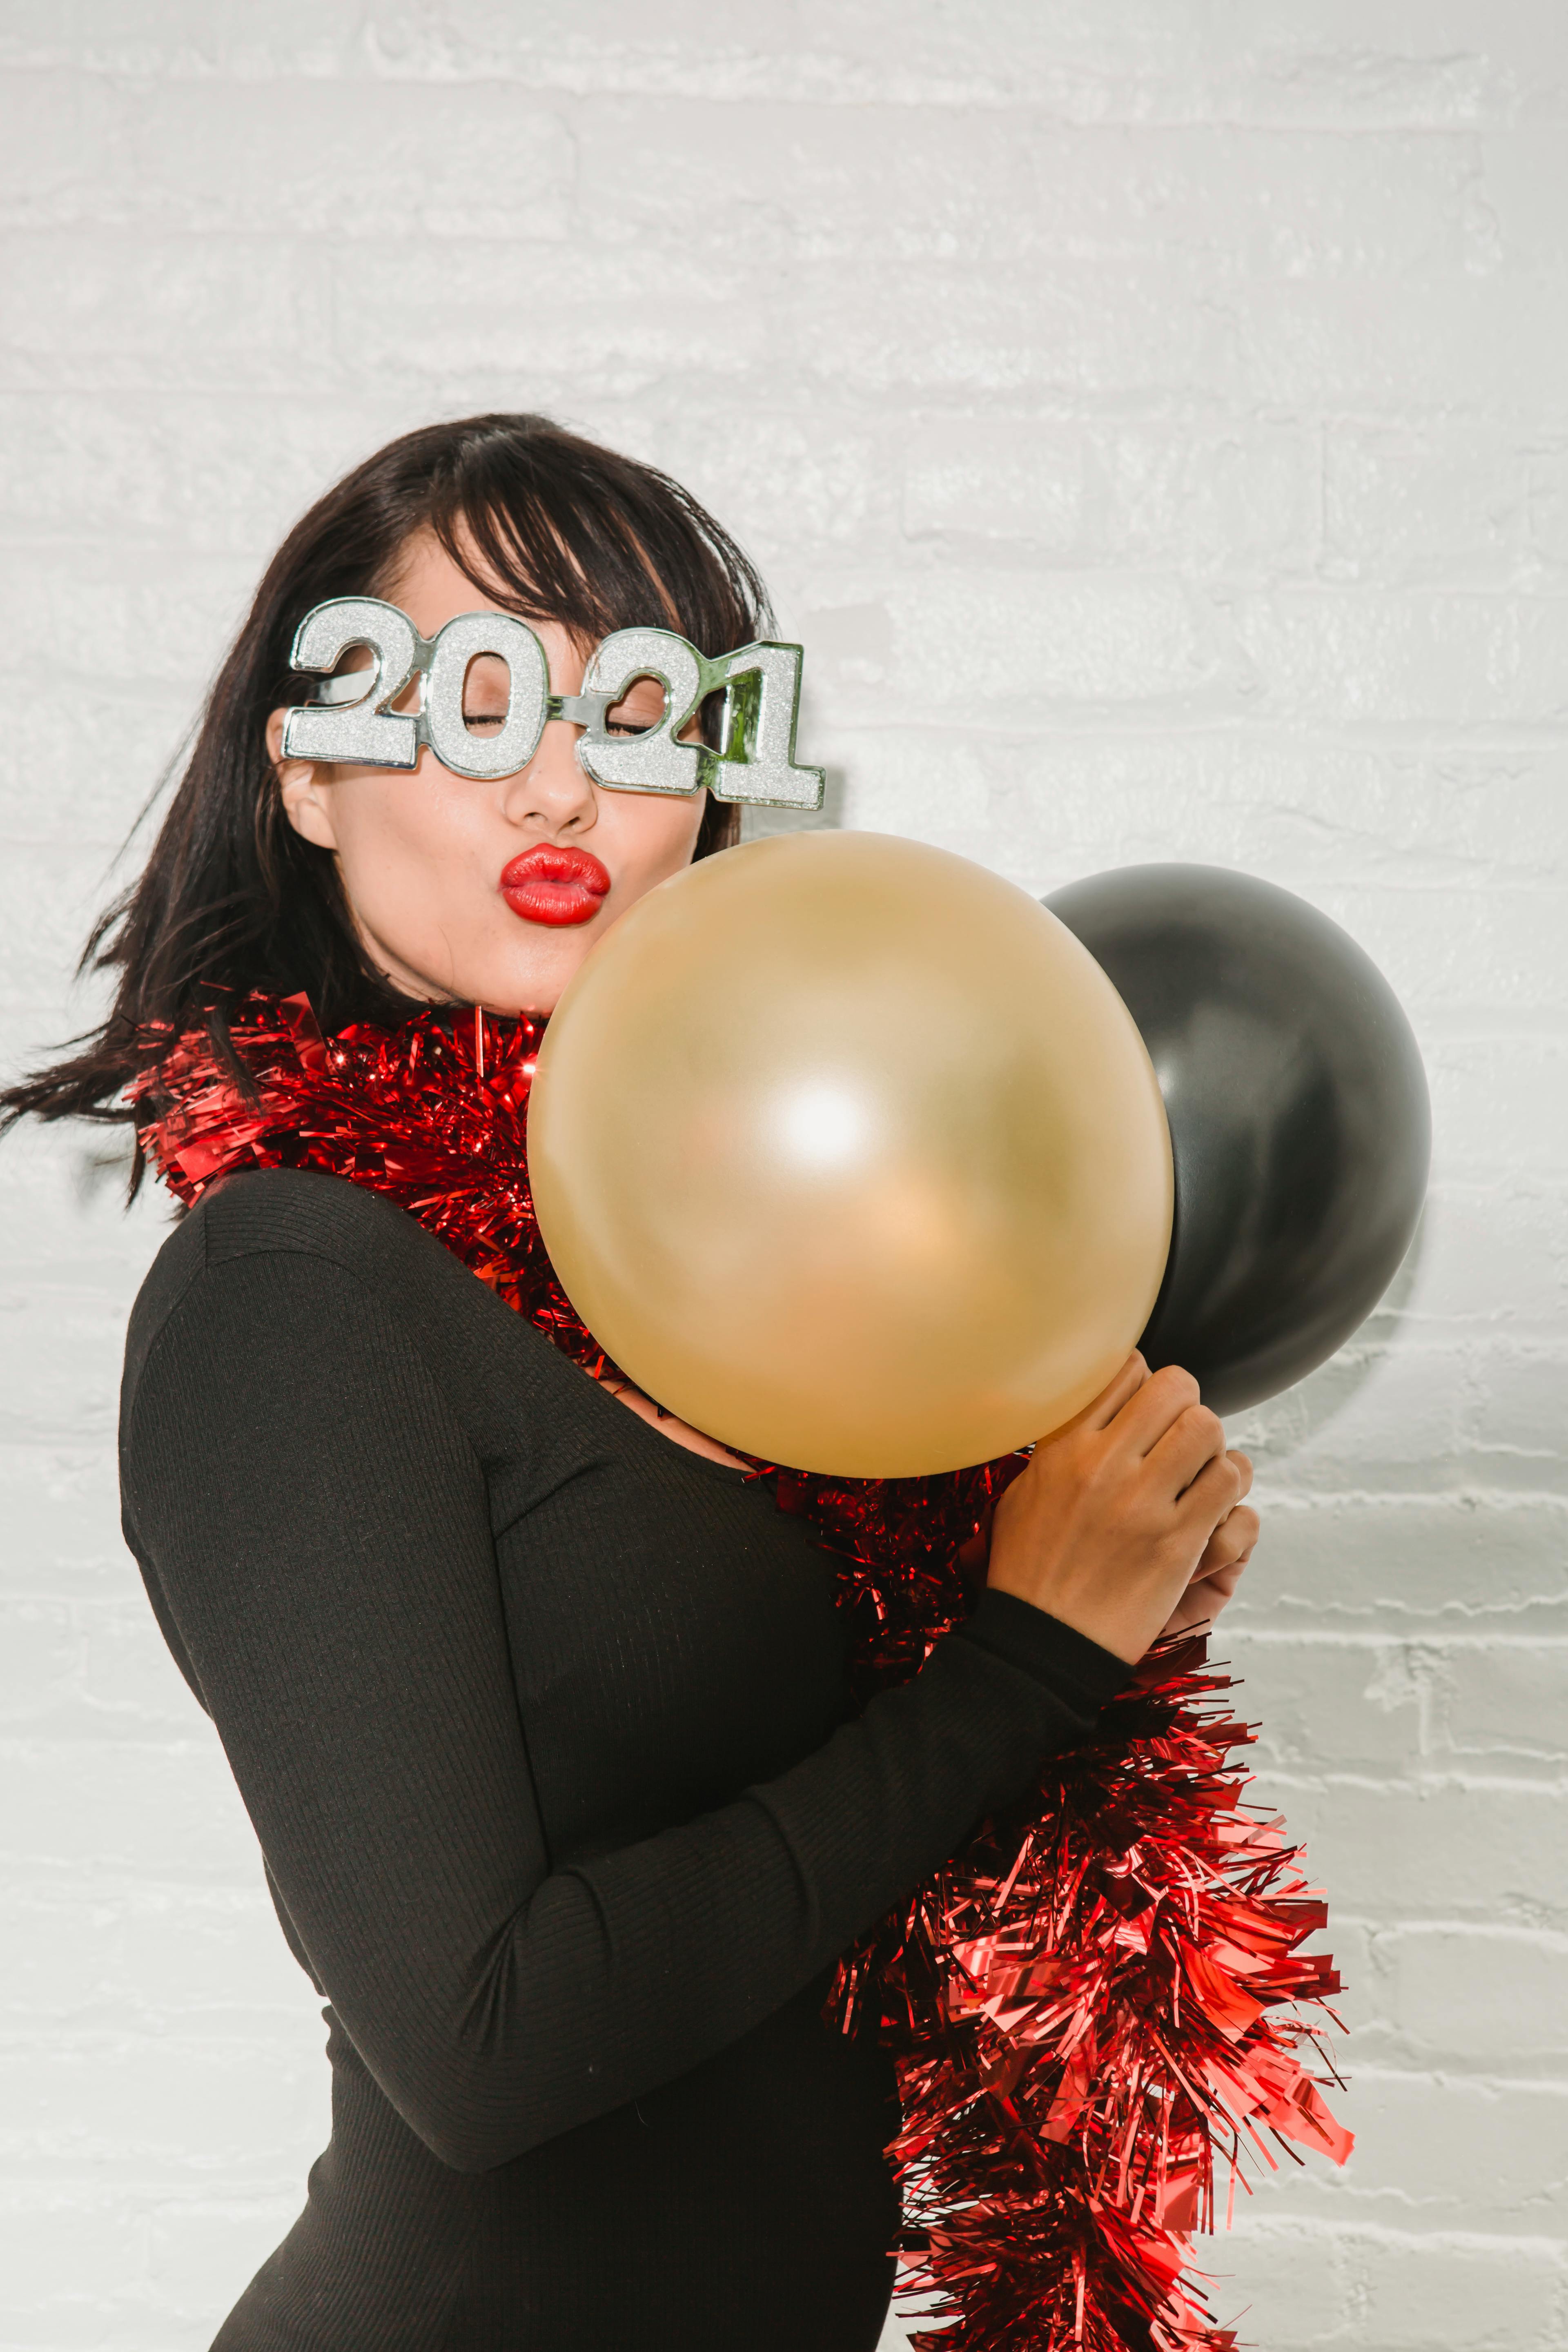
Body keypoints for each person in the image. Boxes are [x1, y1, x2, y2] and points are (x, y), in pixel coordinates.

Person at [3, 414, 1256, 2351]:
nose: (566, 793)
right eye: (476, 704)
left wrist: (1093, 1534)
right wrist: (1021, 1662)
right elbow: (483, 2045)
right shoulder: (298, 1294)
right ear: (313, 773)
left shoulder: (726, 1267)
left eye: (641, 719)